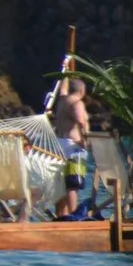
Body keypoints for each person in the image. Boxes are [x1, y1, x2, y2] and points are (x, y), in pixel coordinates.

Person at [49, 78, 92, 219]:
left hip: (60, 143)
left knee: (62, 182)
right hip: (73, 145)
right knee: (73, 183)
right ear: (82, 91)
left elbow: (62, 89)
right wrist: (84, 140)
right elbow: (80, 121)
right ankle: (74, 214)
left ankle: (61, 213)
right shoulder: (76, 103)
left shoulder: (62, 100)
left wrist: (66, 75)